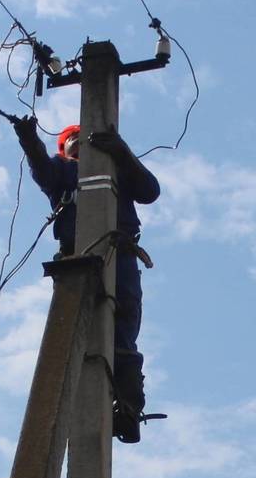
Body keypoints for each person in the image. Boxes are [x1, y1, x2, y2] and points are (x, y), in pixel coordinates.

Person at [14, 115, 160, 443]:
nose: (81, 144)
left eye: (83, 139)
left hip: (119, 255)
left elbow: (150, 191)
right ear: (64, 150)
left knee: (122, 329)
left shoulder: (118, 169)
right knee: (74, 333)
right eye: (73, 141)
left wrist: (123, 153)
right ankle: (74, 408)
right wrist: (29, 140)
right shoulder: (63, 172)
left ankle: (127, 407)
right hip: (76, 262)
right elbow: (41, 168)